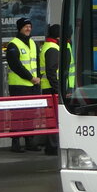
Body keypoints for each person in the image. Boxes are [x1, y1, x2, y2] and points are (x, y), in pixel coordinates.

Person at [5, 16, 39, 153]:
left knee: (31, 114)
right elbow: (16, 65)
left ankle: (29, 141)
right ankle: (15, 142)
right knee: (18, 114)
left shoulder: (32, 43)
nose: (28, 28)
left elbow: (36, 63)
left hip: (33, 85)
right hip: (19, 85)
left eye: (30, 26)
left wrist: (37, 79)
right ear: (20, 28)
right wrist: (31, 78)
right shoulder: (13, 44)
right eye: (26, 26)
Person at [38, 24, 63, 155]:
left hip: (48, 87)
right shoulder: (53, 48)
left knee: (51, 118)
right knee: (54, 118)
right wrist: (58, 88)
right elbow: (51, 71)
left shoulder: (49, 46)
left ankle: (51, 146)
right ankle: (53, 147)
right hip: (51, 89)